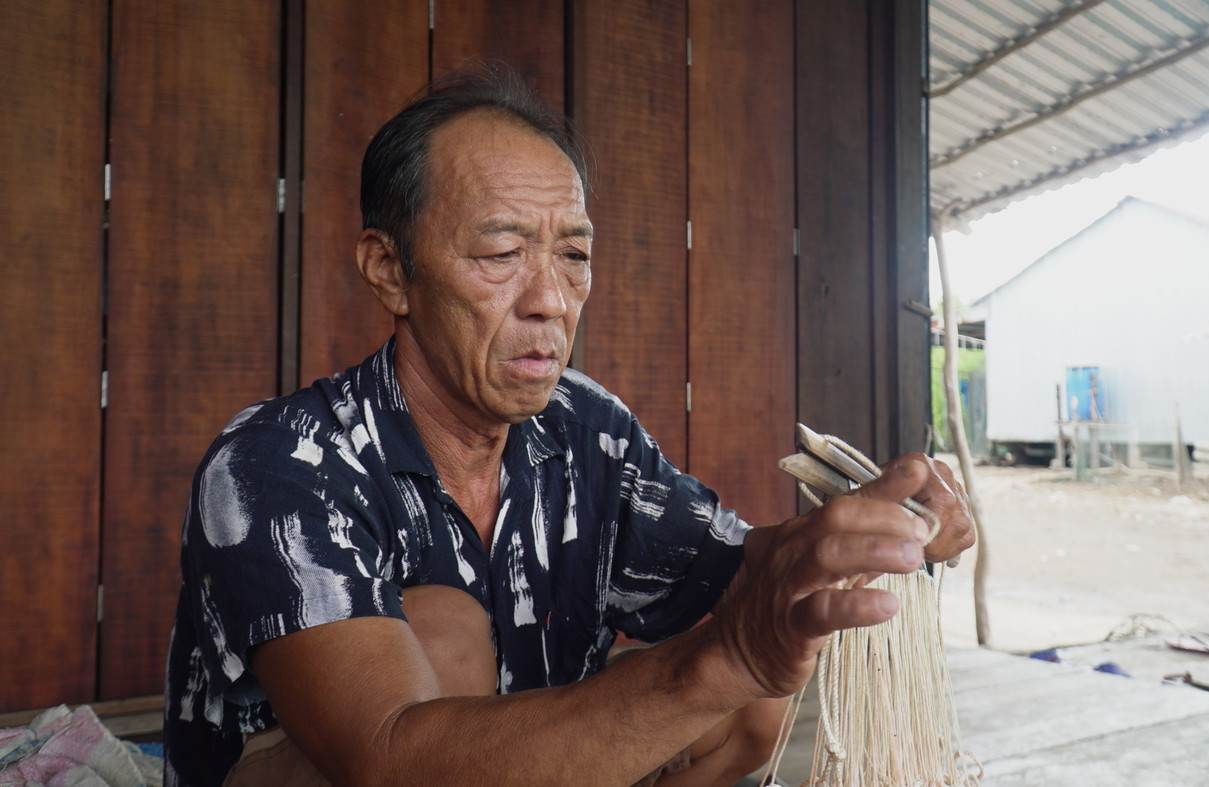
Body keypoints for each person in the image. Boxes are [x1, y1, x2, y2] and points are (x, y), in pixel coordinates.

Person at [163, 64, 975, 787]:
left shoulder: (583, 427)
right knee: (447, 636)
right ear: (389, 269)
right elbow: (388, 757)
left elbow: (740, 563)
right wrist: (722, 660)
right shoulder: (277, 461)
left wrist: (859, 535)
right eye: (500, 253)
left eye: (573, 257)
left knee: (750, 704)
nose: (550, 299)